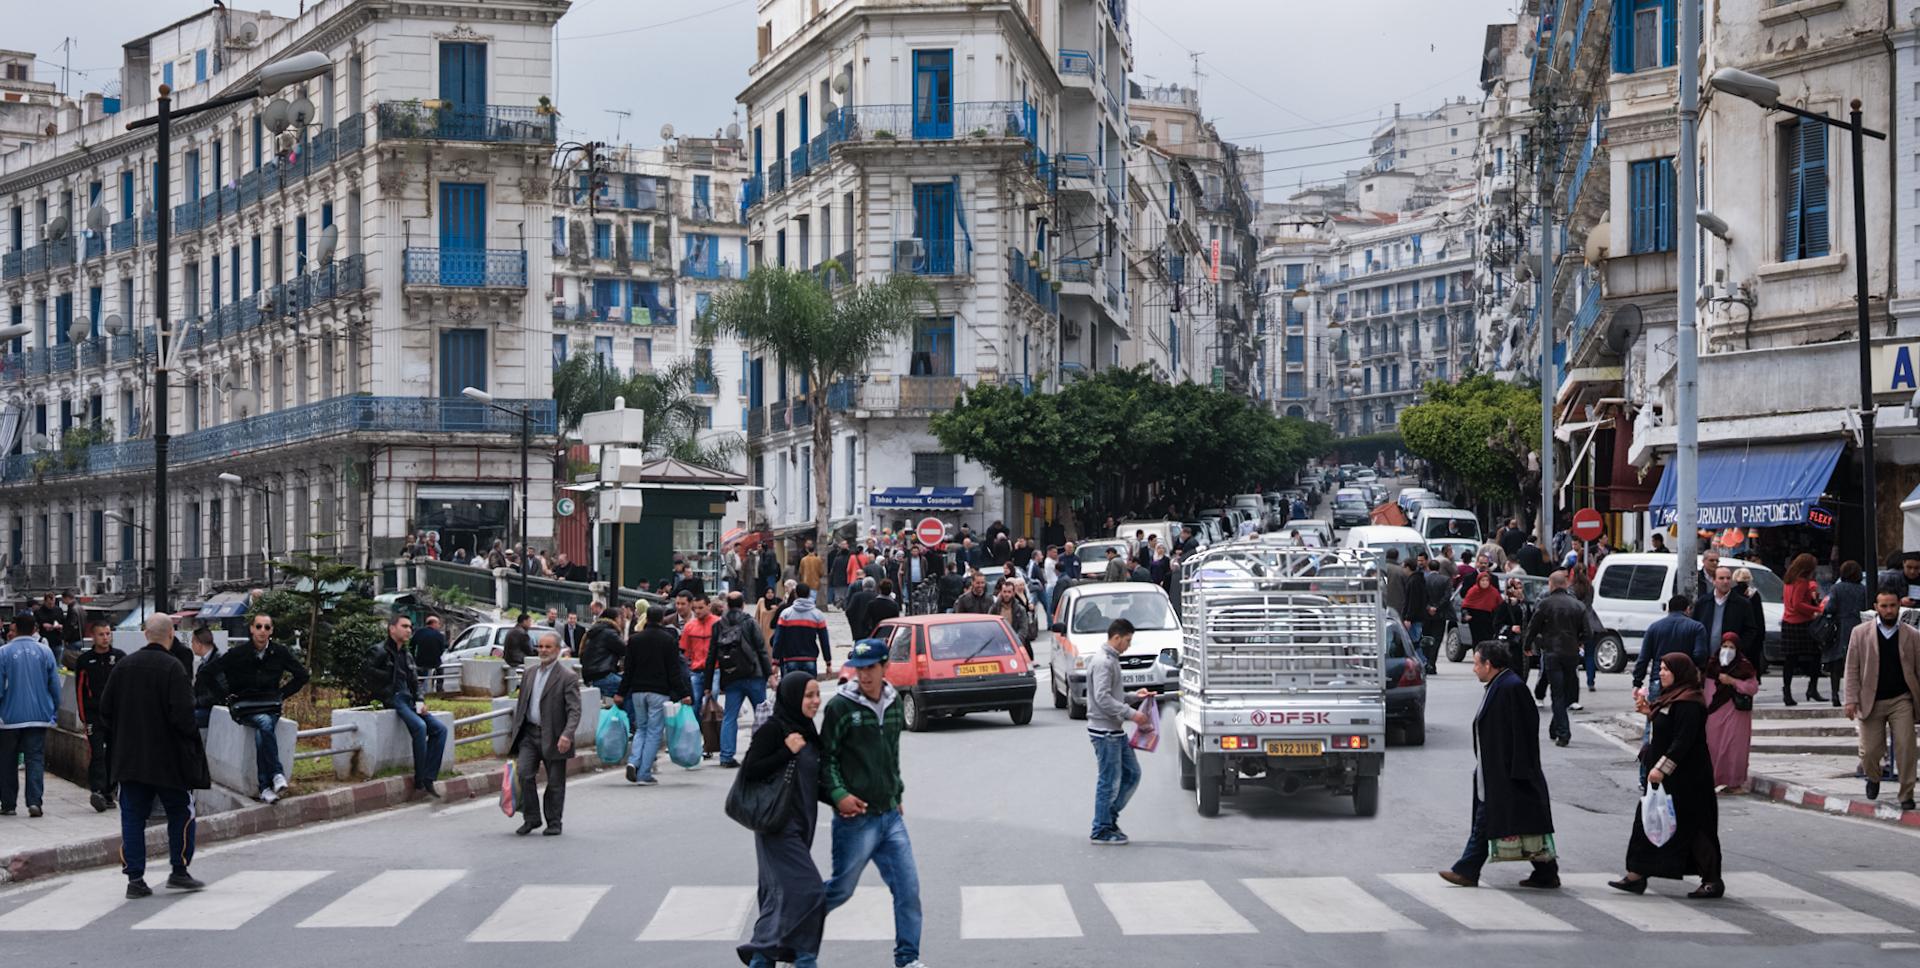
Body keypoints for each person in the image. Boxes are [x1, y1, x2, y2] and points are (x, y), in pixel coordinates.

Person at [820, 639, 926, 968]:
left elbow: (891, 755)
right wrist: (839, 795)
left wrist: (897, 793)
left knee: (908, 890)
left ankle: (908, 959)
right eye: (860, 669)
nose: (864, 676)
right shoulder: (840, 707)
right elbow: (827, 760)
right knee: (840, 890)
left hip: (890, 816)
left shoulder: (895, 703)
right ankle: (784, 933)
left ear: (884, 668)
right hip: (856, 819)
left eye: (870, 669)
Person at [99, 614, 209, 898]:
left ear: (145, 634)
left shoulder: (123, 667)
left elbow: (106, 712)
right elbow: (185, 717)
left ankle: (135, 879)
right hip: (168, 760)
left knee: (133, 817)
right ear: (171, 635)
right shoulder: (173, 668)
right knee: (181, 811)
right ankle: (179, 870)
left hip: (130, 759)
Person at [1438, 641, 1560, 889]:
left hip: (1509, 773)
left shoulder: (1511, 687)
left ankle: (1467, 870)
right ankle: (1546, 872)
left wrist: (1519, 771)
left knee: (1494, 818)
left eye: (1475, 663)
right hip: (1495, 770)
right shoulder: (1499, 685)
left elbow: (1525, 731)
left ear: (1489, 664)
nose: (1473, 669)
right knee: (1520, 822)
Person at [1612, 653, 1723, 899]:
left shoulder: (1690, 702)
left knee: (1695, 827)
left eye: (1665, 669)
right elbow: (1666, 724)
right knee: (1648, 821)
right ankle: (1637, 873)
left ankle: (1712, 880)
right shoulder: (1673, 697)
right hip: (1668, 776)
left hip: (1688, 778)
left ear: (1680, 672)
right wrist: (1648, 711)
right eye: (1660, 668)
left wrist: (1661, 768)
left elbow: (1682, 741)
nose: (1661, 673)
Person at [738, 672, 829, 968]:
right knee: (810, 891)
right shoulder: (775, 729)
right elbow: (751, 770)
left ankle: (762, 959)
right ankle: (802, 958)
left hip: (801, 824)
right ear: (792, 697)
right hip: (776, 826)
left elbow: (813, 782)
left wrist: (846, 801)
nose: (815, 701)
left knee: (779, 897)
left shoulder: (807, 730)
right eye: (808, 696)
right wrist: (785, 751)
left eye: (817, 695)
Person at [209, 613, 310, 803]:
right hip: (244, 707)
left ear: (271, 631)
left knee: (261, 732)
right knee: (264, 723)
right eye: (258, 626)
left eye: (266, 627)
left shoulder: (279, 652)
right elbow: (207, 673)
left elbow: (302, 675)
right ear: (251, 629)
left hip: (270, 705)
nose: (262, 631)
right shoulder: (238, 653)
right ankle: (277, 773)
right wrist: (225, 697)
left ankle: (264, 788)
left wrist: (281, 694)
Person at [1842, 591, 1920, 809]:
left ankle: (1906, 794)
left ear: (1899, 607)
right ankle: (1873, 777)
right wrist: (1850, 700)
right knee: (1870, 752)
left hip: (1901, 700)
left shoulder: (1912, 635)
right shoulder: (1860, 633)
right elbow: (1852, 668)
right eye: (1884, 606)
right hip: (1870, 700)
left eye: (1892, 606)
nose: (1888, 610)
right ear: (1876, 607)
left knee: (1906, 747)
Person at [1086, 618, 1154, 845]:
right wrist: (1132, 714)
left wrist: (1136, 696)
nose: (1128, 646)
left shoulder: (1111, 660)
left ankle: (1108, 818)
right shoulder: (1104, 662)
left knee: (1132, 774)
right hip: (1105, 732)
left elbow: (1112, 695)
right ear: (1116, 637)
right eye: (1127, 640)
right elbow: (1103, 698)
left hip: (1113, 730)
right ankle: (1101, 828)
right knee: (1109, 781)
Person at [365, 616, 448, 798]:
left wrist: (420, 701)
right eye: (404, 626)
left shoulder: (407, 654)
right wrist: (389, 678)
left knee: (440, 730)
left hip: (408, 699)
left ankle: (429, 777)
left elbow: (415, 682)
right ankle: (420, 781)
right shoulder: (379, 651)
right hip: (393, 698)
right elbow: (368, 674)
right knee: (420, 727)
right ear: (391, 629)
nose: (409, 630)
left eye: (410, 627)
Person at [509, 633, 581, 835]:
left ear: (557, 650)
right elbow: (522, 704)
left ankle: (554, 821)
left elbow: (574, 710)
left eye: (548, 647)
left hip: (555, 736)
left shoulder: (568, 677)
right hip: (529, 735)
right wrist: (516, 731)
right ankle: (531, 818)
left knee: (555, 782)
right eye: (540, 646)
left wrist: (567, 734)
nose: (543, 650)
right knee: (524, 774)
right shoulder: (530, 673)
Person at [618, 606, 691, 785]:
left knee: (641, 728)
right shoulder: (668, 640)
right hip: (659, 691)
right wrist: (684, 693)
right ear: (662, 620)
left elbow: (628, 670)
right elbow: (674, 671)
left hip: (637, 691)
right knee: (654, 732)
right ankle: (644, 773)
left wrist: (621, 692)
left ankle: (633, 761)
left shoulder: (634, 640)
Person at [0, 613, 61, 818]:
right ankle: (34, 802)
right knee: (35, 759)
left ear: (14, 628)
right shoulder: (45, 652)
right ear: (35, 628)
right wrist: (54, 709)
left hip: (9, 718)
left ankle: (8, 804)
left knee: (7, 760)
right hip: (38, 716)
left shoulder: (3, 653)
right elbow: (54, 684)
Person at [712, 592, 777, 769]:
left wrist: (707, 684)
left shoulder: (719, 625)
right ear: (742, 605)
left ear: (728, 604)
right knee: (762, 714)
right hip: (753, 674)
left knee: (730, 716)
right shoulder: (749, 623)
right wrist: (769, 674)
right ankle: (764, 751)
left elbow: (712, 656)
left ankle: (726, 756)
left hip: (731, 675)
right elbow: (761, 649)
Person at [1523, 570, 1587, 748]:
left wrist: (1528, 646)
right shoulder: (1578, 606)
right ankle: (1557, 727)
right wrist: (1579, 642)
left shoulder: (1545, 604)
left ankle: (1562, 732)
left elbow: (1533, 627)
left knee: (1558, 694)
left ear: (1551, 585)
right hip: (1571, 653)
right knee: (1566, 693)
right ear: (1566, 585)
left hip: (1552, 652)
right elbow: (1588, 632)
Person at [73, 620, 127, 812]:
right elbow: (79, 690)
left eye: (107, 634)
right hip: (94, 716)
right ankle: (96, 789)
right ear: (93, 637)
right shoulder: (85, 660)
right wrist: (83, 715)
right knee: (97, 753)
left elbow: (126, 688)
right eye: (101, 634)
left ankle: (109, 792)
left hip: (116, 716)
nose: (105, 638)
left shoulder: (120, 658)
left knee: (114, 753)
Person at [1702, 632, 1758, 793]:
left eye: (1731, 647)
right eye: (1724, 646)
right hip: (1714, 712)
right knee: (1712, 746)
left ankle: (1734, 783)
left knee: (1734, 747)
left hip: (1736, 712)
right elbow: (1706, 689)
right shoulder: (1712, 665)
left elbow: (1752, 688)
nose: (1727, 650)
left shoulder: (1744, 666)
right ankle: (1712, 780)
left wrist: (1733, 681)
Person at [1690, 567, 1760, 682]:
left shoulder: (1742, 604)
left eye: (1728, 578)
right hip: (1707, 660)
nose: (1725, 581)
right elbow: (1695, 628)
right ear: (1714, 580)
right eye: (1721, 578)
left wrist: (1739, 649)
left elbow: (1751, 630)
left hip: (1732, 661)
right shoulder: (1703, 603)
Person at [1633, 595, 1710, 691]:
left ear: (1668, 609)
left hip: (1659, 679)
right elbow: (1700, 655)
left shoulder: (1654, 627)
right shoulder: (1697, 627)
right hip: (1686, 682)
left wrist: (1637, 682)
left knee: (1657, 705)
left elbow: (1643, 658)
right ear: (1688, 609)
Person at [1821, 560, 1870, 707]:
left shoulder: (1837, 588)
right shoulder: (1863, 589)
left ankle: (1835, 694)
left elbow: (1830, 607)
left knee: (1837, 662)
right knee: (1858, 662)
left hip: (1840, 627)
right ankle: (1857, 694)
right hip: (1858, 624)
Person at [1778, 553, 1823, 706]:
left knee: (1790, 659)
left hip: (1788, 621)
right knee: (1816, 654)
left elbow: (1790, 602)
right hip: (1802, 622)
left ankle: (1787, 690)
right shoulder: (1802, 582)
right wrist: (1816, 609)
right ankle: (1812, 688)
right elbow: (1798, 604)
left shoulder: (1788, 581)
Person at [771, 583, 833, 678]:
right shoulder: (817, 615)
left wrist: (775, 662)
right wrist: (828, 662)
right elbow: (824, 640)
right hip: (810, 659)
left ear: (796, 594)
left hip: (790, 658)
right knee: (809, 690)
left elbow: (778, 639)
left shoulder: (786, 614)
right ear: (809, 594)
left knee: (791, 690)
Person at [1493, 577, 1535, 681]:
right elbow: (1496, 624)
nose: (1520, 590)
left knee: (1524, 670)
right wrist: (1510, 628)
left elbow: (1530, 620)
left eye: (1521, 588)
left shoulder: (1525, 604)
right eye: (1517, 588)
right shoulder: (1505, 605)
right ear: (1510, 589)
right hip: (1510, 644)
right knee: (1512, 669)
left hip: (1523, 642)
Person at [993, 578, 1038, 657]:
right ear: (1001, 592)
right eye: (1004, 592)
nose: (1007, 594)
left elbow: (1023, 628)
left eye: (1009, 592)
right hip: (998, 645)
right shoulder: (994, 608)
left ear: (1013, 593)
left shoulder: (1020, 609)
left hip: (1016, 645)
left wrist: (1016, 641)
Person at [189, 627, 222, 729]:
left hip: (212, 709)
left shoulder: (217, 663)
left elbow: (217, 694)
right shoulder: (204, 663)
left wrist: (196, 702)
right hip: (204, 707)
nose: (192, 646)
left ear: (199, 644)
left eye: (192, 642)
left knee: (184, 718)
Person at [1461, 570, 1502, 649]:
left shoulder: (1494, 592)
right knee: (1477, 641)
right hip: (1475, 621)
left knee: (1488, 641)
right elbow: (1465, 606)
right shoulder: (1473, 591)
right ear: (1478, 581)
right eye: (1482, 580)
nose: (1484, 582)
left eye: (1487, 580)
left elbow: (1499, 606)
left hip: (1489, 621)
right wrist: (1466, 615)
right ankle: (1477, 658)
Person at [411, 615, 449, 690]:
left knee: (420, 679)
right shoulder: (439, 635)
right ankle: (439, 689)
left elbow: (412, 646)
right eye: (438, 623)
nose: (439, 626)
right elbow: (442, 649)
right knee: (440, 675)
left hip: (420, 661)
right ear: (433, 623)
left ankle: (418, 691)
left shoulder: (419, 632)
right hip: (435, 662)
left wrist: (414, 658)